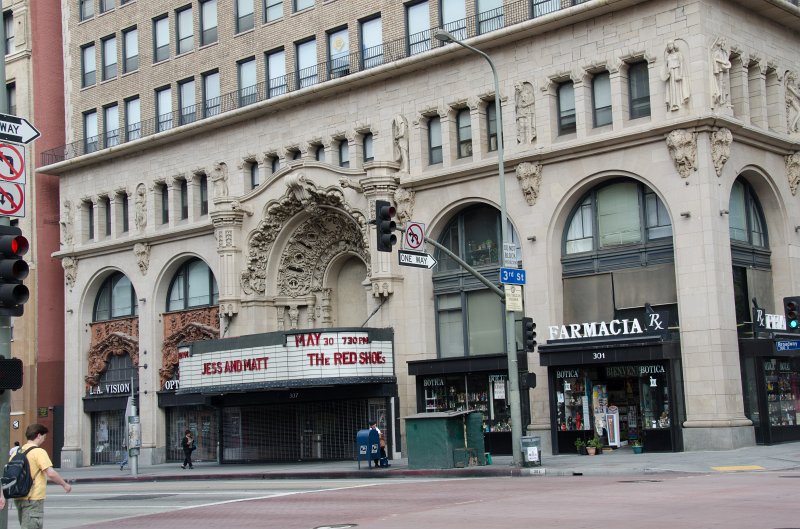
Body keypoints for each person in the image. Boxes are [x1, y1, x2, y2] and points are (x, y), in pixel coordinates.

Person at [0, 423, 72, 528]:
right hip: (33, 499)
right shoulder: (39, 452)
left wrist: (2, 496)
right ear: (38, 435)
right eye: (44, 437)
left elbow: (7, 475)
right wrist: (65, 484)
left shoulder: (17, 453)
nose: (44, 439)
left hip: (18, 498)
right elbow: (51, 473)